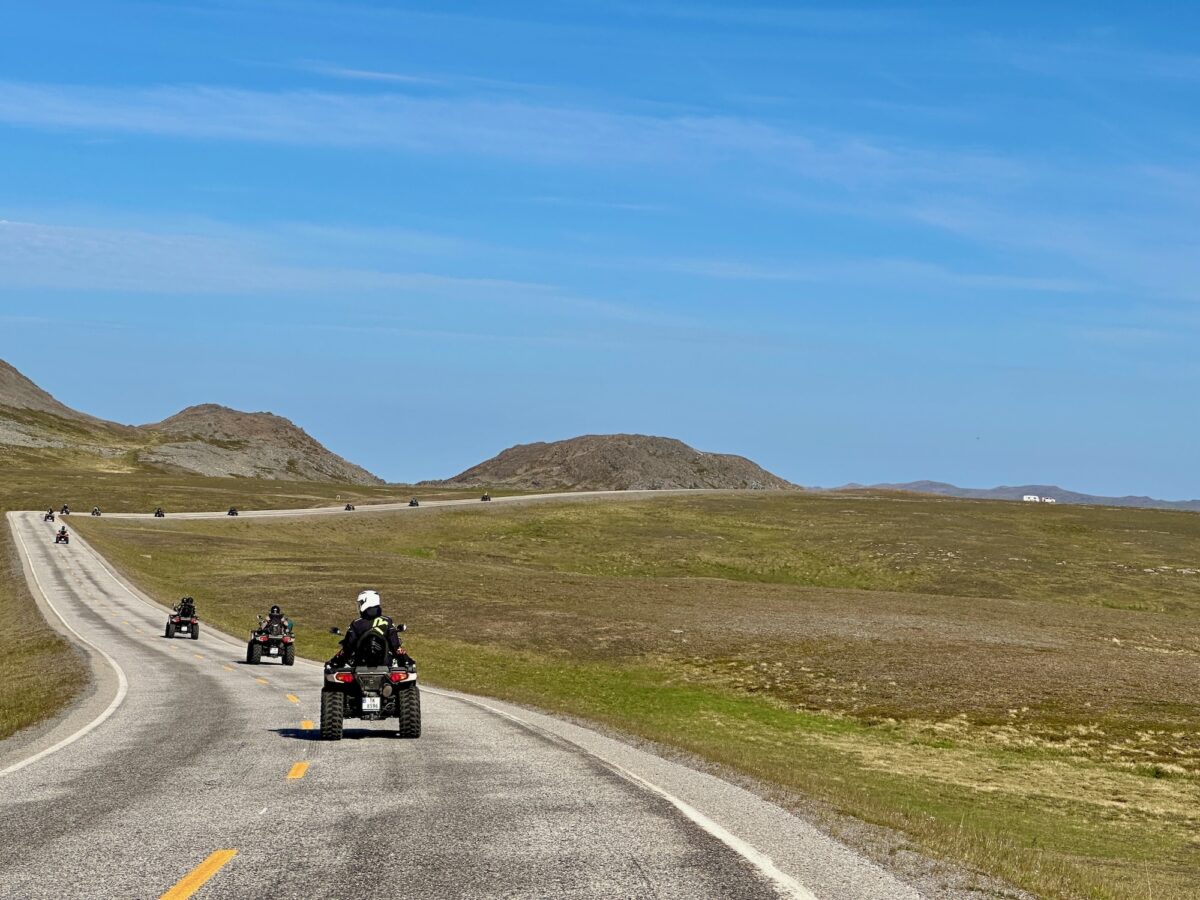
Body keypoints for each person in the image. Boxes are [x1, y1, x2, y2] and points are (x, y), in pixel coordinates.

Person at [326, 590, 401, 669]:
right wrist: (406, 662)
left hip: (359, 664)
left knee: (332, 667)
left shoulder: (356, 623)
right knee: (407, 662)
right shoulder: (388, 621)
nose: (359, 606)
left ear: (366, 602)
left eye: (361, 603)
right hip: (385, 664)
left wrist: (334, 662)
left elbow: (348, 647)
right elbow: (395, 645)